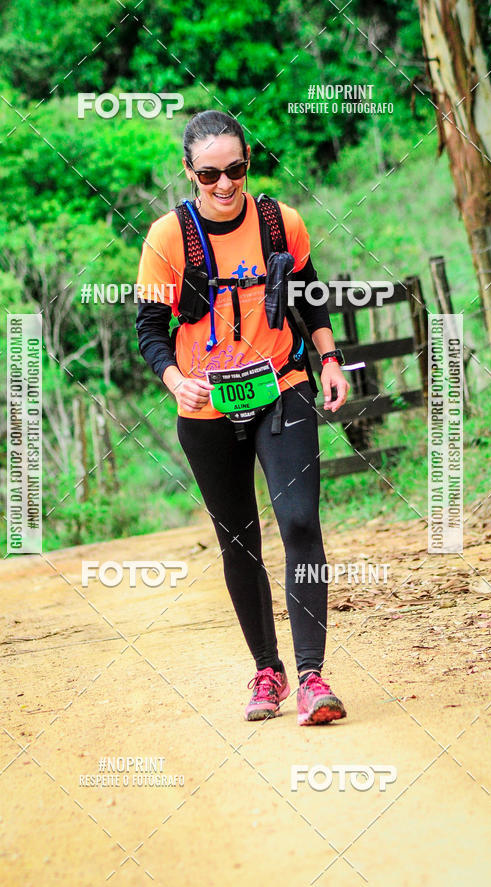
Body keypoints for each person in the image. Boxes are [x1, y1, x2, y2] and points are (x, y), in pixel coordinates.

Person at [136, 110, 350, 725]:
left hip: (283, 386)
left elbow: (310, 291)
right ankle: (267, 670)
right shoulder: (167, 239)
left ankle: (312, 676)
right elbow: (150, 329)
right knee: (238, 538)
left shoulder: (282, 224)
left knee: (300, 522)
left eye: (235, 170)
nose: (225, 184)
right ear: (189, 172)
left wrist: (330, 358)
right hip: (205, 405)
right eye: (210, 175)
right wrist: (176, 379)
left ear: (248, 164)